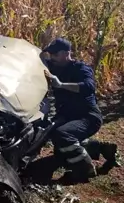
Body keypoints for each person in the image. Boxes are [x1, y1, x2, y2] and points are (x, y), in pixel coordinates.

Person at [41, 38, 117, 182]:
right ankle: (100, 148)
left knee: (62, 135)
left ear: (65, 54)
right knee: (57, 146)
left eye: (54, 55)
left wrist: (61, 84)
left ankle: (84, 170)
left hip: (87, 116)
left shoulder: (81, 68)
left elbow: (88, 87)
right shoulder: (55, 66)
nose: (51, 58)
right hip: (68, 115)